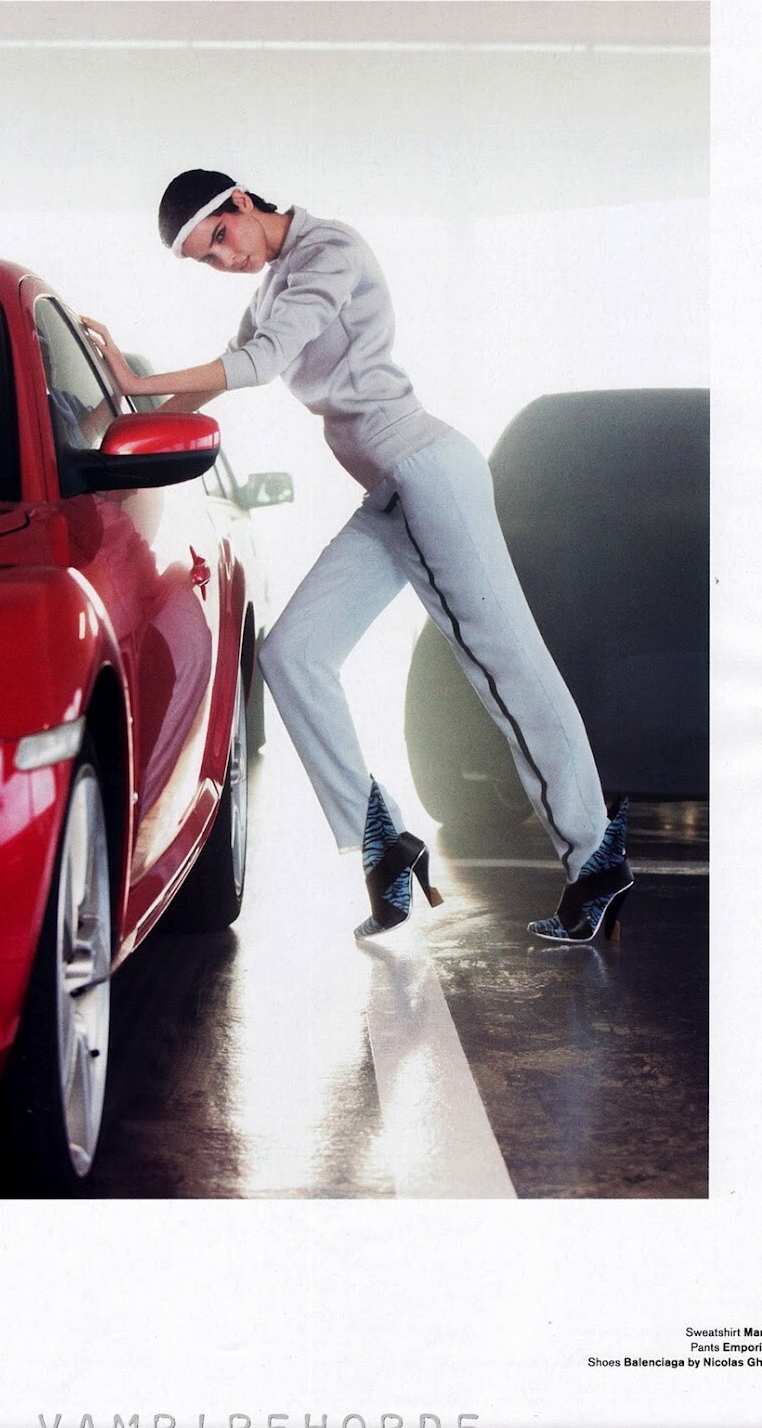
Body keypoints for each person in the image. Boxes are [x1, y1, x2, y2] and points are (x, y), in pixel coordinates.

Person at [81, 169, 632, 944]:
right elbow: (218, 378)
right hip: (389, 495)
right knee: (291, 655)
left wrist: (136, 376)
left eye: (220, 238)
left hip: (427, 476)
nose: (224, 260)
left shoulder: (328, 250)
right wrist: (115, 422)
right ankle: (382, 839)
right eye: (206, 259)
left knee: (505, 666)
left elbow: (259, 364)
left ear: (241, 202)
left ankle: (594, 856)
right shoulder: (273, 287)